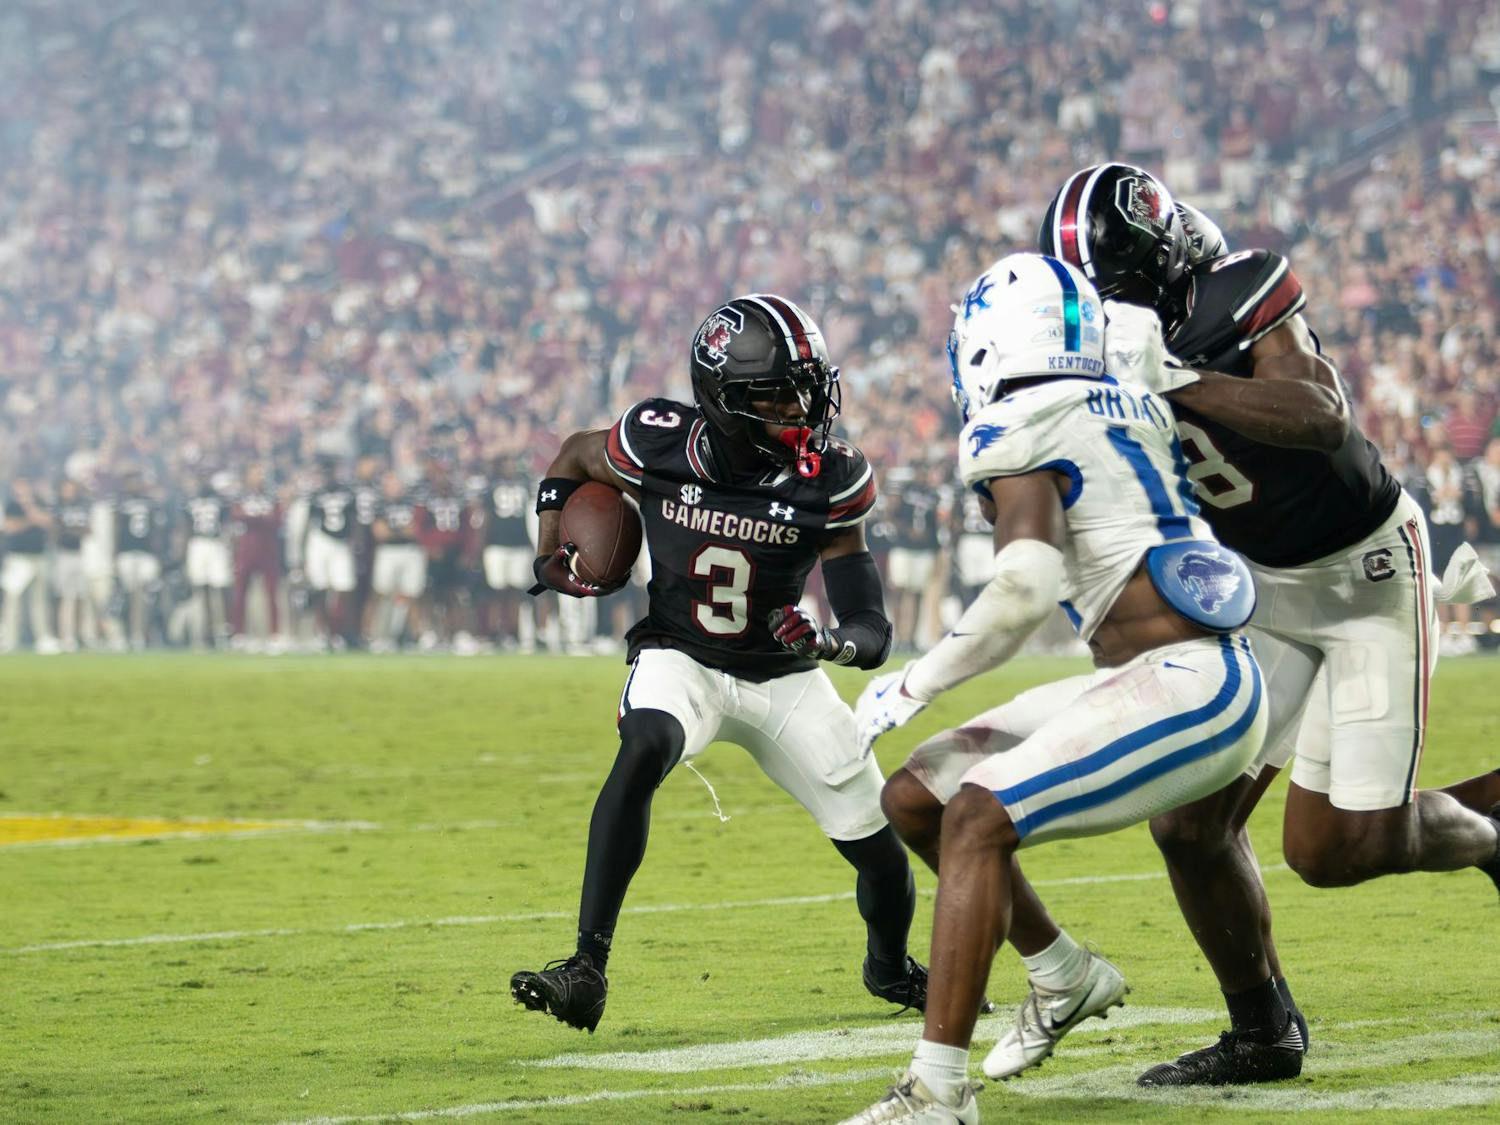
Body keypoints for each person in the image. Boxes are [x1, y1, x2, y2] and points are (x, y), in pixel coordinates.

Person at [1040, 163, 1500, 1085]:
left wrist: (1178, 382)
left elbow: (1321, 415)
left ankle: (1495, 824)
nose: (1105, 314)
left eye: (1118, 293)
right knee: (1187, 824)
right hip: (1261, 592)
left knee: (1335, 852)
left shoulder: (1240, 289)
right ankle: (1263, 1031)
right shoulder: (1092, 350)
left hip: (1365, 574)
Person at [841, 253, 1267, 1125]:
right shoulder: (1129, 394)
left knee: (976, 815)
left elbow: (1024, 588)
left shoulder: (1018, 419)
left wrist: (913, 683)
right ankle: (1063, 971)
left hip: (1189, 680)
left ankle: (935, 1091)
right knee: (917, 796)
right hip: (1167, 667)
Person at [510, 293, 927, 1033]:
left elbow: (873, 626)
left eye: (808, 385)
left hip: (786, 677)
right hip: (683, 656)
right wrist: (549, 540)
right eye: (776, 392)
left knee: (883, 855)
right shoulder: (657, 439)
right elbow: (575, 452)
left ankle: (889, 968)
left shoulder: (828, 477)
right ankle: (586, 965)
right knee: (643, 746)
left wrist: (831, 642)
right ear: (724, 399)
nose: (801, 405)